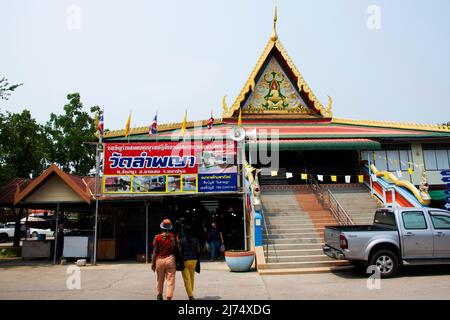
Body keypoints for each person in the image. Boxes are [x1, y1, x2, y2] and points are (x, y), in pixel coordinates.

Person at [151, 218, 178, 300]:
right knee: (170, 280)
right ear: (170, 228)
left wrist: (153, 263)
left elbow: (155, 250)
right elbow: (176, 248)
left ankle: (159, 295)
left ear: (162, 228)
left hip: (160, 260)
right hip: (170, 259)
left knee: (160, 279)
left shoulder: (157, 237)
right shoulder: (173, 237)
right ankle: (169, 297)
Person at [180, 225, 200, 300]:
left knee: (186, 279)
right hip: (194, 260)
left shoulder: (182, 240)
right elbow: (198, 250)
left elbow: (180, 251)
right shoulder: (195, 240)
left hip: (185, 261)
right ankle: (191, 291)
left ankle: (190, 295)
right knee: (192, 277)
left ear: (184, 232)